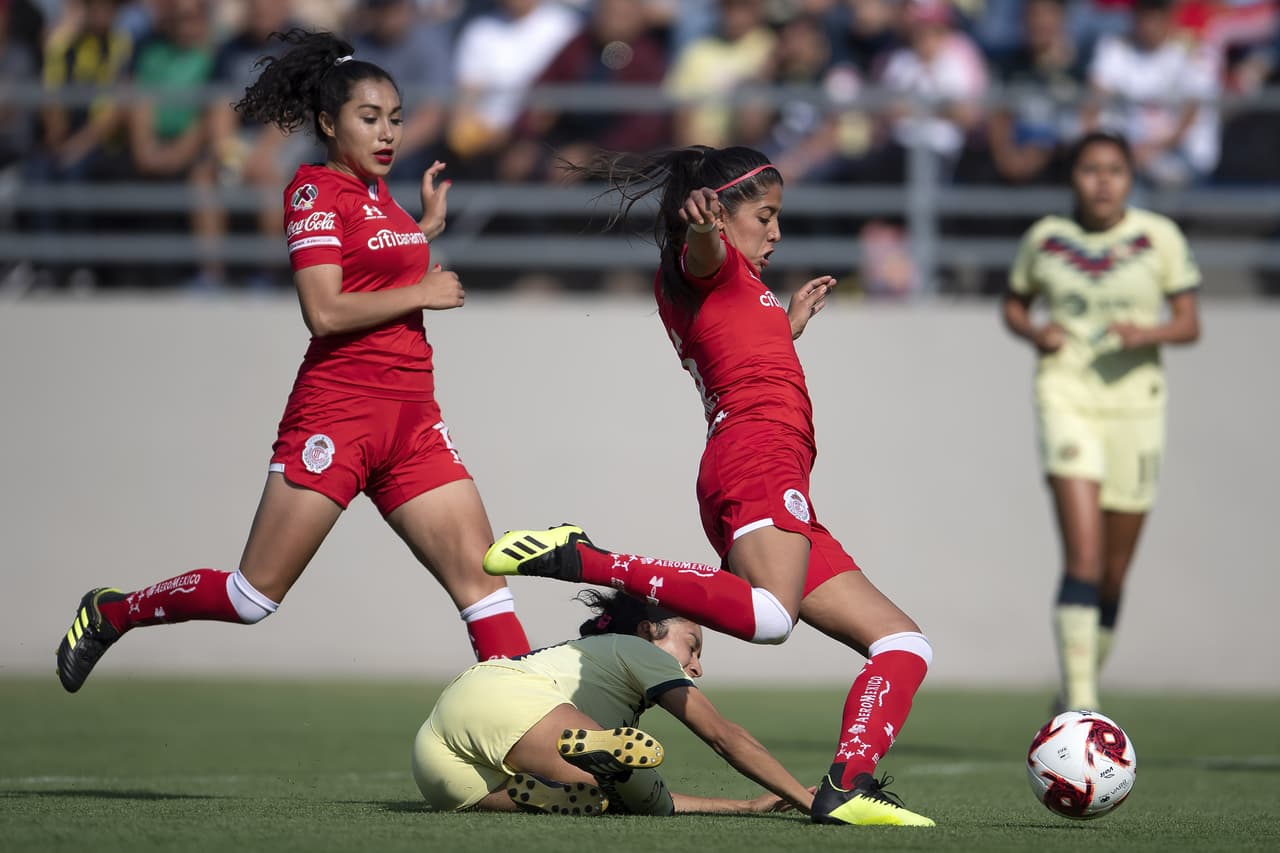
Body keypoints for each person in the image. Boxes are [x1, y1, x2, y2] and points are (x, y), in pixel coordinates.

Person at [55, 28, 532, 694]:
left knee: (484, 585)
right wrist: (422, 286)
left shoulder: (378, 195)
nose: (387, 133)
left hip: (413, 420)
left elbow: (373, 262)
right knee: (254, 597)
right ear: (329, 122)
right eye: (370, 119)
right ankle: (115, 610)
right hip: (338, 415)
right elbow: (325, 311)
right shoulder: (312, 192)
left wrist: (420, 230)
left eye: (395, 119)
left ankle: (532, 742)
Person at [484, 145, 936, 828]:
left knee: (904, 644)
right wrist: (702, 231)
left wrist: (785, 330)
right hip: (756, 461)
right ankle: (587, 557)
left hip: (773, 471)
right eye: (766, 215)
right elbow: (701, 255)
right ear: (720, 214)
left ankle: (848, 782)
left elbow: (733, 347)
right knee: (770, 616)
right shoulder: (709, 263)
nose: (776, 232)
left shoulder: (736, 285)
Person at [1001, 130, 1201, 713]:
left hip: (1138, 406)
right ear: (1074, 178)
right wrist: (1036, 331)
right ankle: (1083, 710)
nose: (1103, 180)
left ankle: (1072, 688)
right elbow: (1015, 303)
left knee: (1112, 576)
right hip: (1067, 398)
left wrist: (1151, 332)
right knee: (1083, 560)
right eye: (1091, 169)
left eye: (1114, 169)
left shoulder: (1157, 236)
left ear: (1130, 178)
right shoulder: (1046, 238)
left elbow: (1189, 322)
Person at [413, 589, 814, 816]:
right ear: (647, 630)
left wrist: (747, 806)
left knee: (607, 795)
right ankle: (602, 764)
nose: (696, 667)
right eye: (692, 647)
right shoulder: (642, 652)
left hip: (436, 760)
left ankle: (555, 788)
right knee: (638, 792)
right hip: (508, 697)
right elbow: (724, 736)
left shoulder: (593, 659)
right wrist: (807, 799)